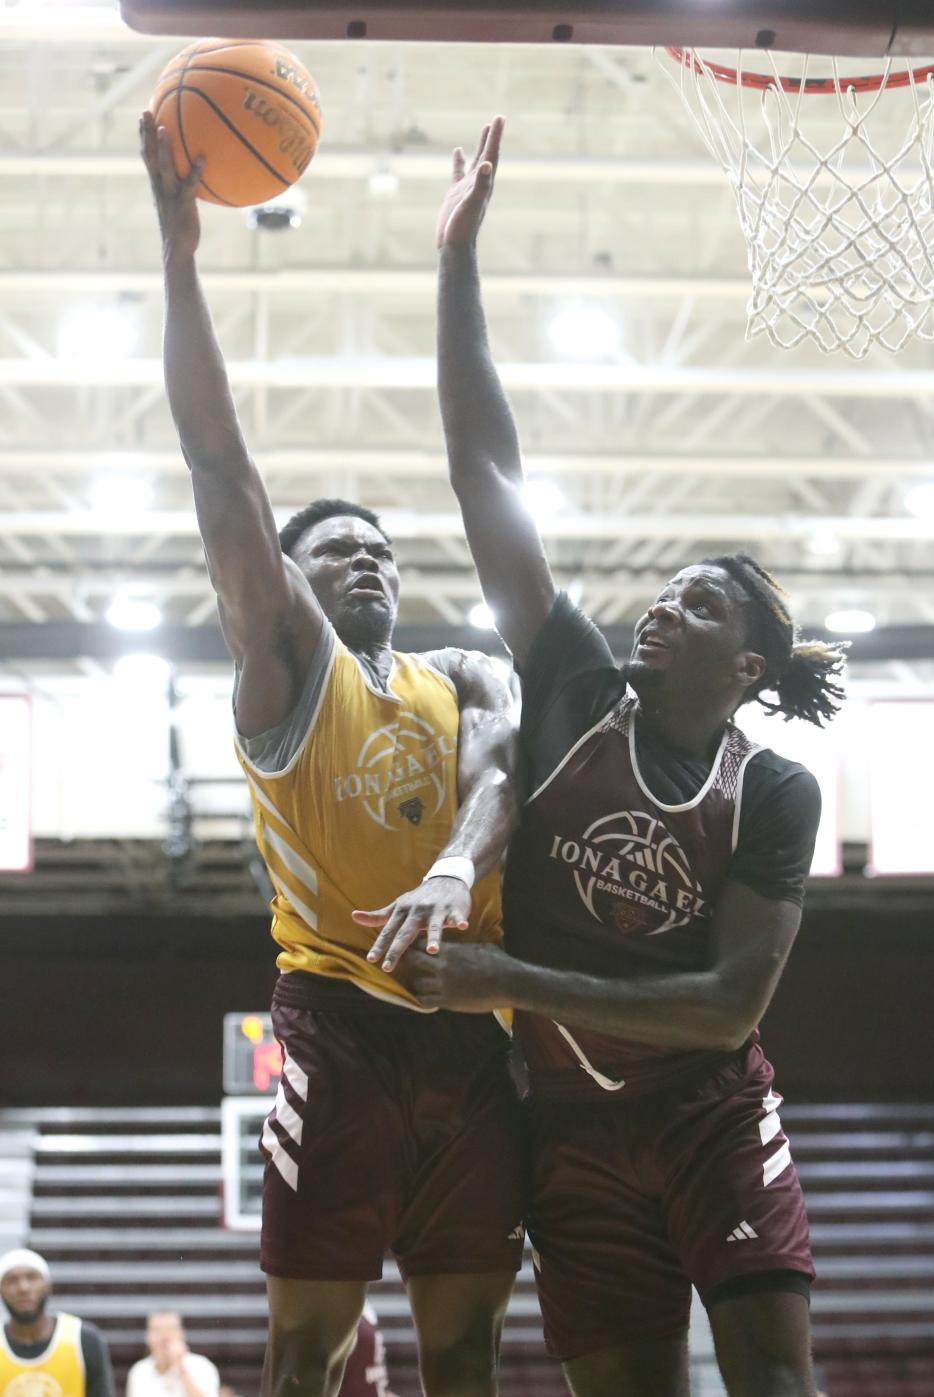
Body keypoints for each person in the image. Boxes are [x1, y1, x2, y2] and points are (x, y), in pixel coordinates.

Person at [414, 116, 848, 1397]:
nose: (661, 606)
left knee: (774, 1378)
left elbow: (726, 1006)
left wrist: (508, 973)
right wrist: (457, 263)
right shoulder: (576, 688)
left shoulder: (771, 788)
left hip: (708, 1112)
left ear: (748, 669)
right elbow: (486, 470)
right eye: (661, 592)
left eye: (698, 604)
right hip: (571, 1128)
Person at [139, 112, 525, 1397]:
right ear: (289, 584)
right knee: (308, 1344)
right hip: (341, 1023)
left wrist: (459, 865)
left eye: (381, 543)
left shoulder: (462, 671)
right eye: (335, 546)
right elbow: (219, 469)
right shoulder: (287, 669)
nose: (368, 553)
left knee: (463, 1347)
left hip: (473, 1027)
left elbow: (505, 753)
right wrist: (181, 257)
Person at [0, 1248, 115, 1397]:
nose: (23, 1288)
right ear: (1, 1290)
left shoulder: (84, 1340)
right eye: (12, 1280)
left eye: (32, 1277)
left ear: (47, 1286)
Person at [126, 1313, 218, 1397]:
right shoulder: (139, 1371)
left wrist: (180, 1368)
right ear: (147, 1337)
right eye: (157, 1330)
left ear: (181, 1334)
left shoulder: (201, 1366)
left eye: (170, 1329)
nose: (164, 1337)